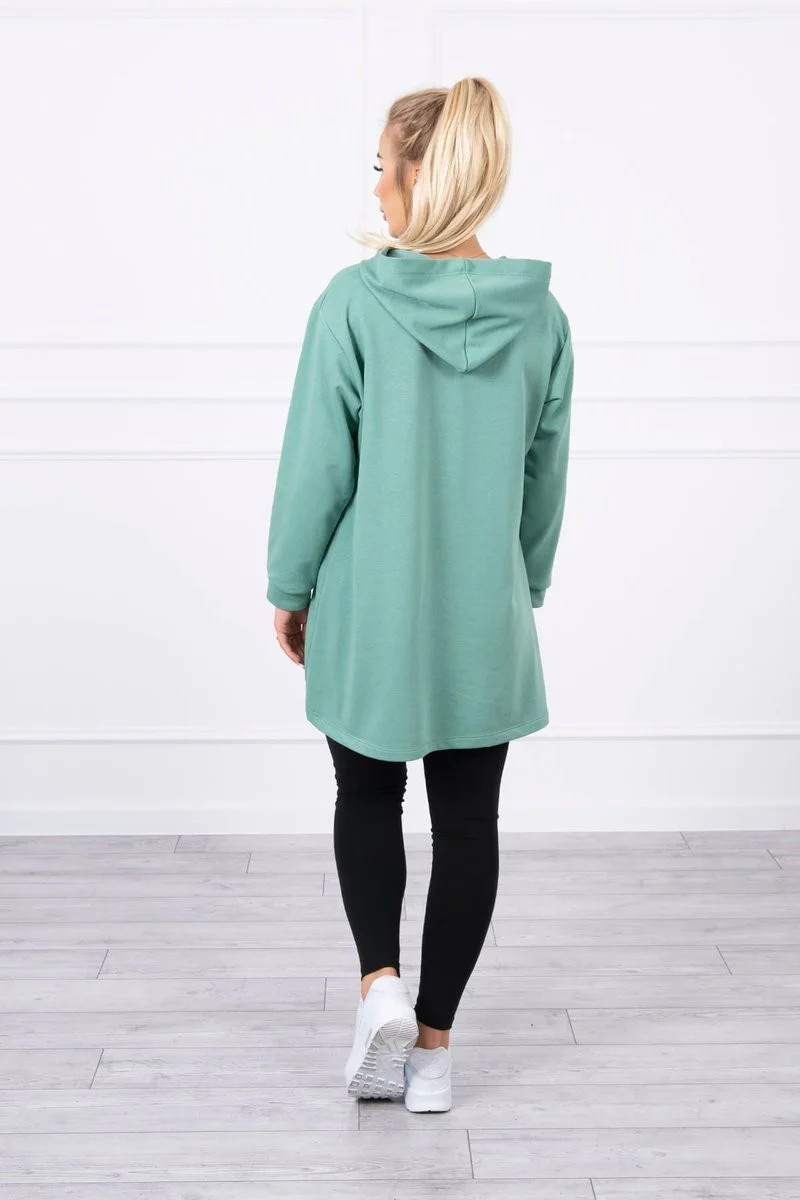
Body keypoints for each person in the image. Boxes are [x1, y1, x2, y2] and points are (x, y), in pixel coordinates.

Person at [266, 77, 574, 1112]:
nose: (377, 190)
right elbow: (543, 476)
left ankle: (380, 989)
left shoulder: (354, 302)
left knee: (366, 796)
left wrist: (290, 585)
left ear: (419, 175)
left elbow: (317, 468)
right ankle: (433, 1055)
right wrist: (522, 582)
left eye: (382, 168)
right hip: (483, 611)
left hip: (369, 606)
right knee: (469, 821)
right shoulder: (542, 317)